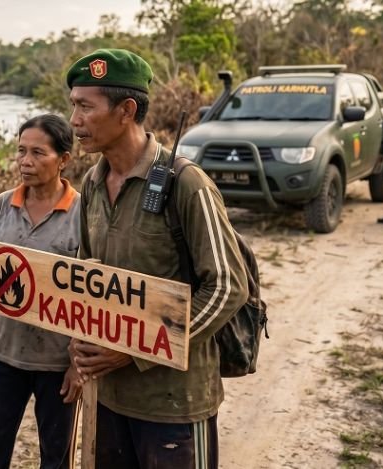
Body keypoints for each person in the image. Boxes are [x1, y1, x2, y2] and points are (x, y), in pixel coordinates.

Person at [65, 49, 249, 468]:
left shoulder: (188, 184)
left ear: (126, 110)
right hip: (109, 397)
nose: (74, 120)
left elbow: (226, 288)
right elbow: (86, 274)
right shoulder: (92, 184)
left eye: (85, 107)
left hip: (174, 406)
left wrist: (135, 351)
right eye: (73, 106)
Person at [0, 114, 82, 469]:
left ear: (63, 159)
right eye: (21, 152)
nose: (25, 162)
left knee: (56, 457)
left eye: (38, 153)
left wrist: (78, 363)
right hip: (4, 357)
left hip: (57, 361)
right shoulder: (3, 205)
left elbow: (91, 297)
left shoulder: (83, 212)